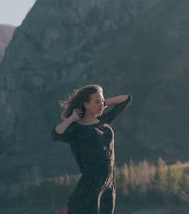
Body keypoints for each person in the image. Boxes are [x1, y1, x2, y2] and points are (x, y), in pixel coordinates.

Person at [52, 84, 132, 214]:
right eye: (96, 102)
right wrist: (72, 118)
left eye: (101, 101)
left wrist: (103, 103)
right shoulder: (77, 129)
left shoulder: (104, 120)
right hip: (91, 184)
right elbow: (56, 134)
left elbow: (126, 99)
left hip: (109, 182)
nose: (101, 105)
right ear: (86, 104)